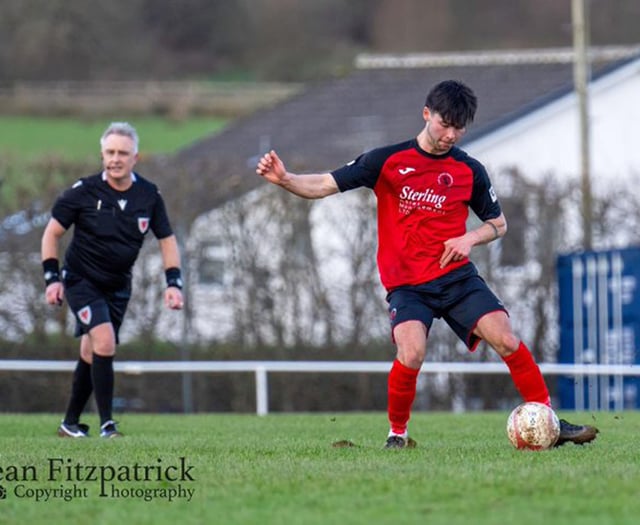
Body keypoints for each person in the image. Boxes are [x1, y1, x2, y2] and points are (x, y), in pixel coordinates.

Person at [256, 80, 599, 448]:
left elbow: (499, 224)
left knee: (505, 338)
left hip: (456, 279)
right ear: (426, 114)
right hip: (407, 286)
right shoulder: (385, 161)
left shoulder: (470, 171)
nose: (450, 134)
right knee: (412, 351)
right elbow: (324, 184)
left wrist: (470, 238)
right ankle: (397, 435)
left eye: (459, 127)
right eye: (444, 124)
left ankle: (547, 419)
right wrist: (286, 179)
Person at [41, 122, 184, 438]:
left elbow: (167, 239)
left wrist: (173, 284)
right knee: (104, 341)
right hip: (80, 281)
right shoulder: (84, 192)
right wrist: (52, 279)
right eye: (109, 152)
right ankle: (108, 424)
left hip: (118, 286)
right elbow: (51, 233)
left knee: (91, 353)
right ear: (102, 154)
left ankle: (69, 423)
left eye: (122, 153)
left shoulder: (148, 195)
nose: (115, 158)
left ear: (135, 158)